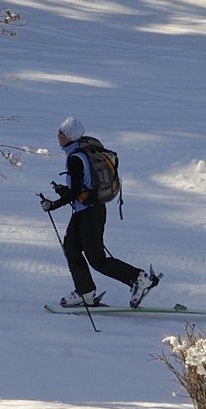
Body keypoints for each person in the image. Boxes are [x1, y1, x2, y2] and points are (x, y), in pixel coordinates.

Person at [41, 115, 161, 310]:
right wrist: (64, 191)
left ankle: (140, 279)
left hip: (90, 214)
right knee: (71, 247)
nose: (58, 135)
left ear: (70, 136)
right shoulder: (81, 153)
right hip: (86, 211)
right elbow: (80, 189)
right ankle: (85, 292)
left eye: (61, 133)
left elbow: (75, 193)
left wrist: (52, 205)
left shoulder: (75, 159)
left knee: (97, 260)